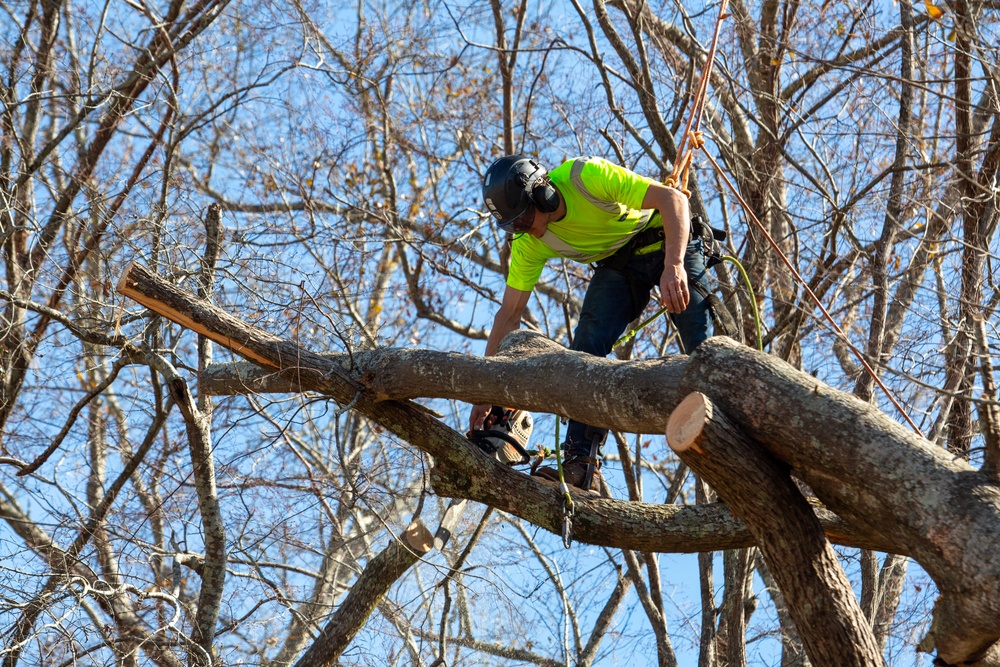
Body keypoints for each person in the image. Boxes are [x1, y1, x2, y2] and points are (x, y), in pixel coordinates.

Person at [469, 154, 711, 492]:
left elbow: (673, 199)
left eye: (523, 219)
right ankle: (581, 465)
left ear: (543, 193)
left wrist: (674, 264)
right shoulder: (528, 244)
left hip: (661, 237)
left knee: (701, 341)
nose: (523, 230)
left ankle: (723, 426)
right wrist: (484, 390)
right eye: (513, 227)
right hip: (618, 266)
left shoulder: (586, 176)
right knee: (585, 347)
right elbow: (508, 315)